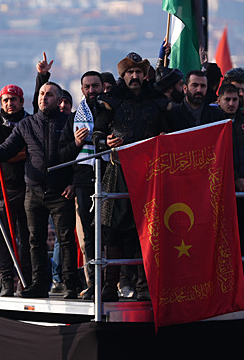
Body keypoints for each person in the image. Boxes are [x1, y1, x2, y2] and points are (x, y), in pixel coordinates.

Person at [0, 82, 87, 299]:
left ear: (59, 100)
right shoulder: (27, 124)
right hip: (33, 191)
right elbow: (6, 149)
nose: (44, 98)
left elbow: (78, 157)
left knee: (65, 240)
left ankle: (70, 285)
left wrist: (73, 182)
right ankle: (39, 284)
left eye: (49, 94)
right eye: (41, 94)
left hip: (60, 191)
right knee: (35, 240)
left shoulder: (69, 122)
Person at [93, 54, 171, 302]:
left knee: (146, 230)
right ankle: (109, 286)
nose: (135, 76)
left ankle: (143, 286)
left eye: (138, 72)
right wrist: (106, 141)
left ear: (145, 75)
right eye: (130, 72)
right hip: (118, 173)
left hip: (149, 175)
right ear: (123, 76)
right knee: (112, 232)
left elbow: (169, 131)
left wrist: (164, 137)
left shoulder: (158, 101)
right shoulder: (110, 102)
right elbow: (96, 135)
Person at [0, 84, 32, 297]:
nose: (9, 104)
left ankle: (26, 280)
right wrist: (25, 152)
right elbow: (0, 154)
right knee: (4, 237)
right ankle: (5, 281)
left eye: (13, 99)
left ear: (21, 102)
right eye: (5, 100)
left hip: (28, 185)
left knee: (28, 236)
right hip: (3, 186)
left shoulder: (30, 121)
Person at [217, 82, 244, 293]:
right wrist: (234, 179)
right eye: (228, 99)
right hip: (221, 192)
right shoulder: (213, 122)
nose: (232, 103)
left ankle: (241, 285)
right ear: (219, 101)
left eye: (235, 99)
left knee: (242, 240)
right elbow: (216, 155)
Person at [73, 70, 105, 300]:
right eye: (88, 87)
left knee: (109, 233)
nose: (92, 90)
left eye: (96, 86)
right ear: (82, 89)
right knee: (89, 235)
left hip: (108, 173)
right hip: (83, 178)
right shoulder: (74, 117)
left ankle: (110, 283)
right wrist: (75, 142)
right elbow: (63, 151)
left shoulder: (111, 110)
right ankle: (93, 282)